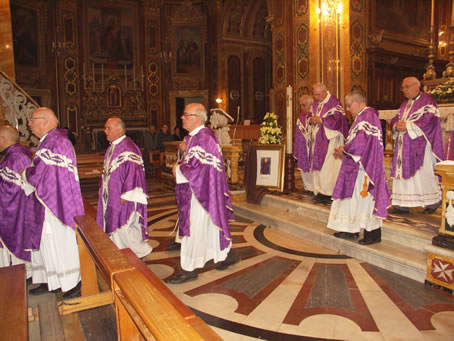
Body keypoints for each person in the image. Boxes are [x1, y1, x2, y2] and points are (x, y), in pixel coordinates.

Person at [167, 103, 238, 284]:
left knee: (194, 228)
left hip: (200, 192)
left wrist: (179, 169)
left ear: (197, 118)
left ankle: (188, 270)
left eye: (186, 114)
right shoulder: (198, 137)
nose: (182, 117)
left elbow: (198, 167)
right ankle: (227, 254)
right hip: (201, 189)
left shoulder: (204, 138)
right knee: (211, 226)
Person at [23, 107, 83, 298]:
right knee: (49, 242)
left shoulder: (56, 142)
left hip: (57, 202)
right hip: (49, 200)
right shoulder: (50, 141)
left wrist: (24, 173)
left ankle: (72, 282)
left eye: (32, 119)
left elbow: (38, 173)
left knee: (60, 242)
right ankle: (53, 279)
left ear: (46, 121)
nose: (29, 123)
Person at [327, 92, 391, 245]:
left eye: (349, 105)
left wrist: (344, 150)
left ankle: (373, 234)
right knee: (353, 198)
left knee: (366, 199)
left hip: (366, 167)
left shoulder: (368, 115)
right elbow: (356, 141)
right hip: (356, 165)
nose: (347, 109)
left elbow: (361, 143)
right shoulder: (361, 117)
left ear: (357, 102)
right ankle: (351, 228)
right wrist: (345, 150)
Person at [97, 117, 152, 258]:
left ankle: (141, 252)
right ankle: (121, 253)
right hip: (111, 195)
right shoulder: (112, 147)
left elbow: (134, 173)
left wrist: (127, 195)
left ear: (120, 130)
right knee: (116, 227)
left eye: (108, 128)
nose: (105, 131)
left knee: (124, 227)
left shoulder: (128, 147)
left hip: (123, 196)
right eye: (105, 128)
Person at [390, 77, 444, 215]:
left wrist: (408, 126)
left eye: (406, 87)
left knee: (422, 174)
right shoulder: (404, 104)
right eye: (403, 88)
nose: (404, 90)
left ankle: (433, 202)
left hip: (419, 146)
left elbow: (429, 121)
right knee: (402, 173)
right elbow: (395, 119)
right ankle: (402, 205)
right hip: (404, 145)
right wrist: (396, 125)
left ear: (416, 87)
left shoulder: (427, 101)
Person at [309, 83, 349, 202]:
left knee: (328, 167)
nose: (316, 97)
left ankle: (327, 192)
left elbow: (339, 120)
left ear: (324, 92)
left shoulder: (334, 103)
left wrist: (321, 120)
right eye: (314, 95)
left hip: (330, 139)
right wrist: (311, 119)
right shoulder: (316, 103)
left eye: (318, 94)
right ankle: (318, 190)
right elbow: (311, 116)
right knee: (318, 166)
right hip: (317, 139)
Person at [0, 126, 32, 269]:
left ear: (3, 139)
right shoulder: (10, 156)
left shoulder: (18, 158)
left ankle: (16, 275)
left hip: (17, 211)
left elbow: (20, 188)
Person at [293, 95, 314, 191]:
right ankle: (307, 187)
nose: (301, 108)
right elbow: (298, 134)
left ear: (310, 104)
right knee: (304, 168)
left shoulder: (316, 116)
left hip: (313, 148)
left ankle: (314, 187)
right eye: (300, 105)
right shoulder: (300, 118)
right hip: (303, 148)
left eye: (303, 105)